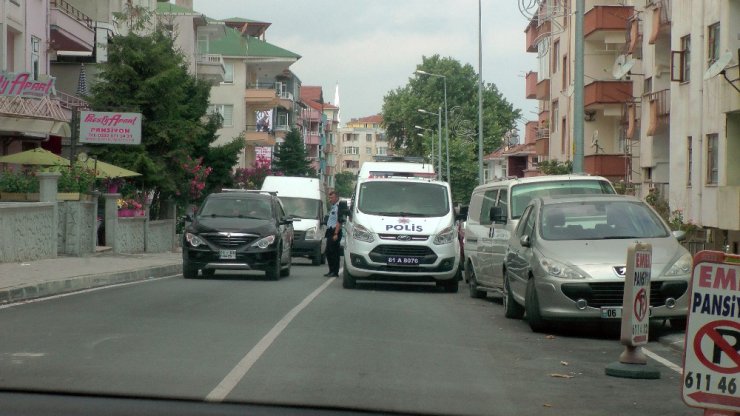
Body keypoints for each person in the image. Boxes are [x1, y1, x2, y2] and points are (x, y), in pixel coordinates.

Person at [324, 190, 344, 277]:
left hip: (335, 232)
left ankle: (335, 272)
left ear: (336, 198)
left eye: (331, 197)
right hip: (330, 231)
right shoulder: (333, 207)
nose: (330, 199)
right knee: (329, 252)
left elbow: (339, 221)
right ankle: (331, 270)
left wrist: (336, 233)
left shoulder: (338, 207)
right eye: (329, 197)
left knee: (334, 252)